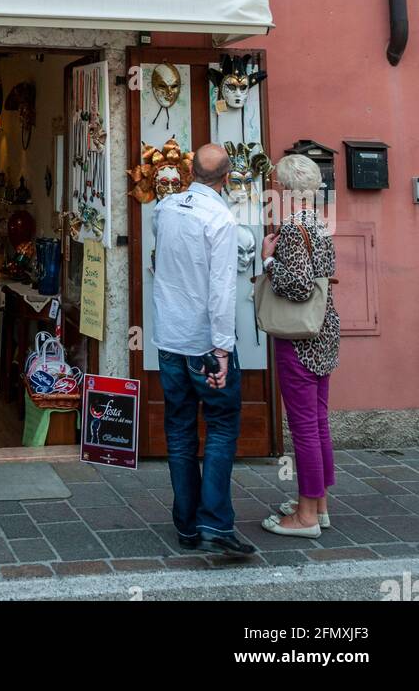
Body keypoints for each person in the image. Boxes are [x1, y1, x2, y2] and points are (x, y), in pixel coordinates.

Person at [152, 143, 254, 557]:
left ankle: (187, 525)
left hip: (169, 337)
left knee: (179, 429)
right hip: (205, 344)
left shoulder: (166, 208)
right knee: (222, 425)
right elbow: (222, 291)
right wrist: (223, 350)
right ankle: (213, 521)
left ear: (190, 171)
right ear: (227, 178)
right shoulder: (222, 220)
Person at [260, 153, 339, 538]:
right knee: (318, 420)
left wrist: (268, 261)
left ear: (286, 189)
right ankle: (318, 504)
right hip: (324, 330)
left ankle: (306, 516)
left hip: (300, 338)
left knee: (304, 425)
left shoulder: (293, 228)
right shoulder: (320, 224)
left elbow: (299, 286)